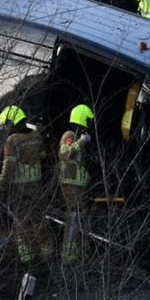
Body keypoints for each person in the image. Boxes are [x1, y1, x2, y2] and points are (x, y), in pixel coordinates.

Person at [0, 105, 46, 263]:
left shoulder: (12, 141)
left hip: (19, 189)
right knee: (39, 222)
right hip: (36, 185)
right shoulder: (37, 136)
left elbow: (8, 166)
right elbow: (43, 155)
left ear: (11, 122)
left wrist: (0, 185)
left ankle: (27, 260)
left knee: (20, 225)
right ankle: (47, 255)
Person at [57, 104, 95, 262]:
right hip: (70, 184)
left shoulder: (77, 136)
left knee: (79, 218)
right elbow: (64, 154)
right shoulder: (70, 134)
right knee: (73, 218)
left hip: (77, 185)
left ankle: (79, 254)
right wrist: (80, 142)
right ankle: (68, 257)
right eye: (87, 120)